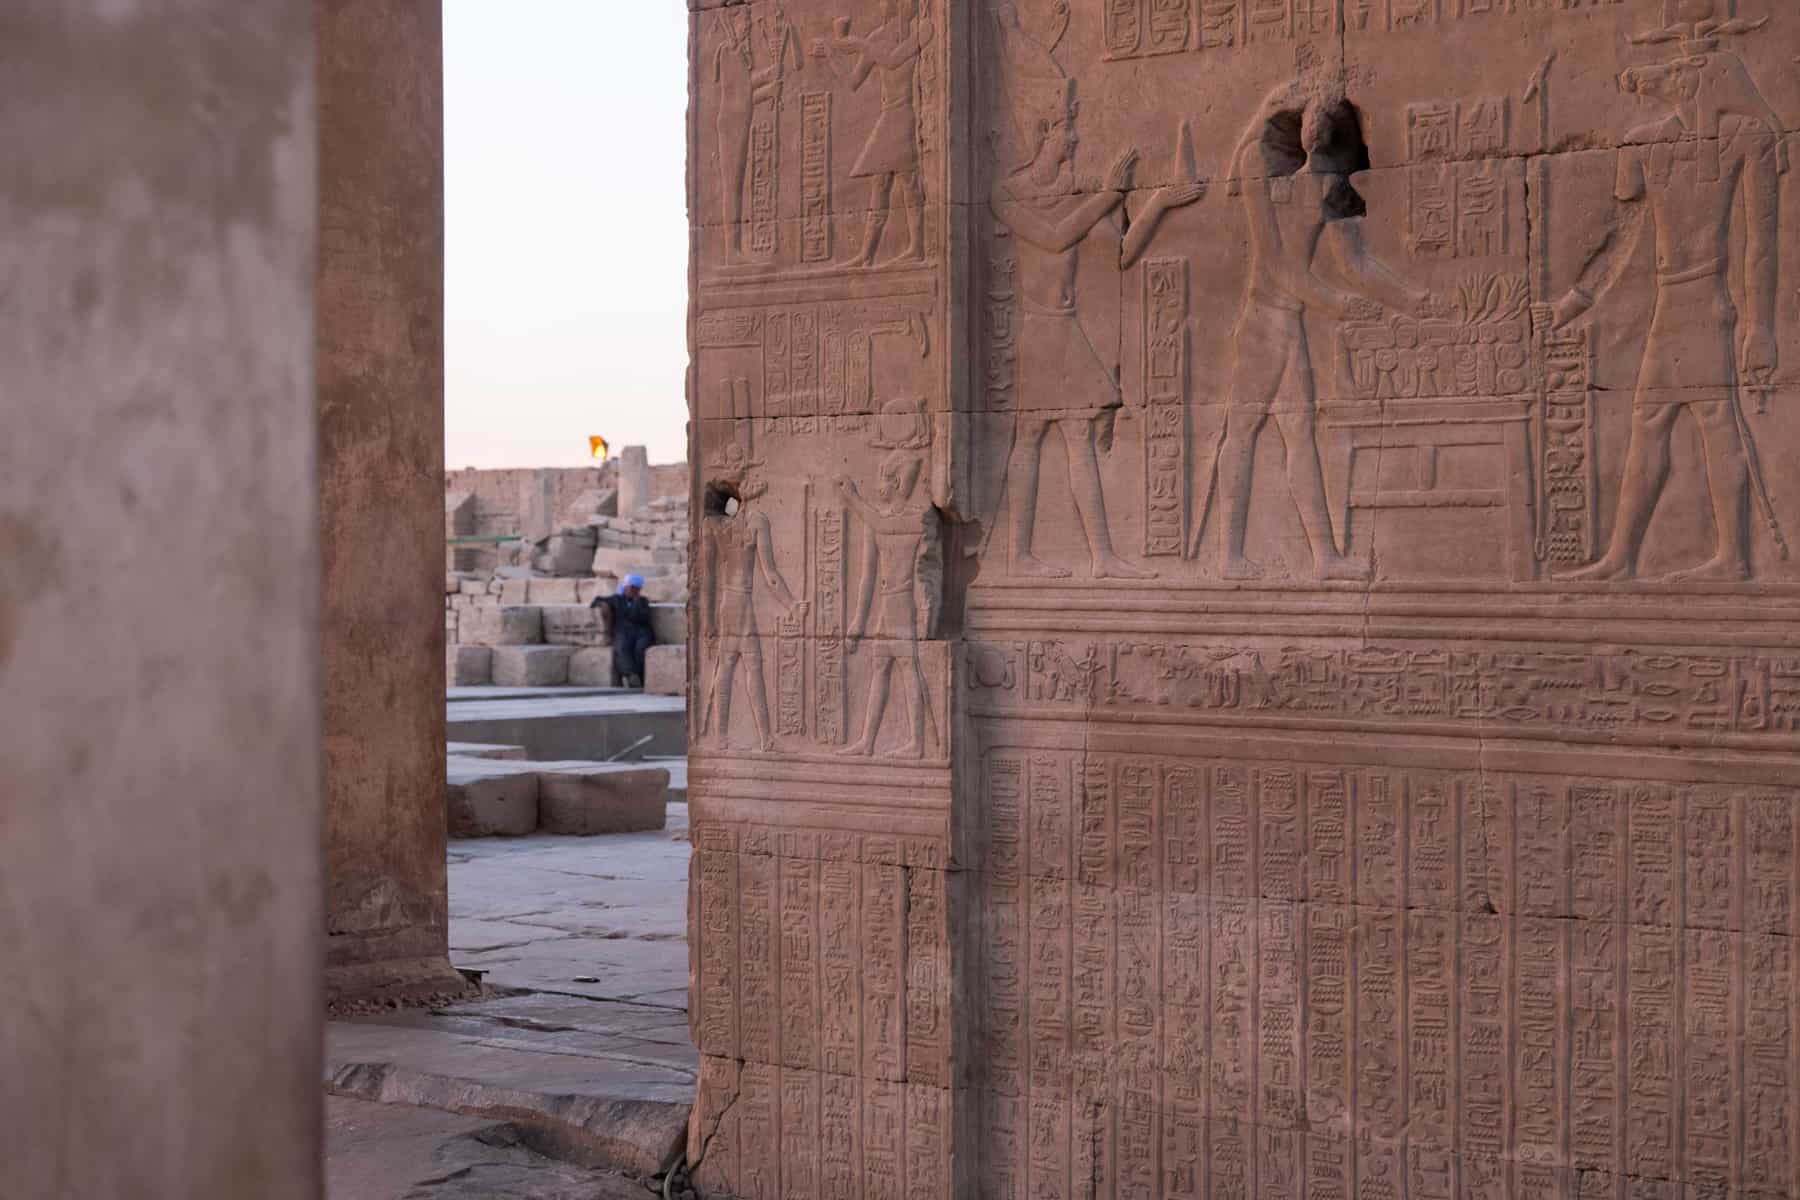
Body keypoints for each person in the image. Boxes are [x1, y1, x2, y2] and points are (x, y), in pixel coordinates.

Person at [1554, 32, 1782, 581]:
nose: (1669, 78)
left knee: (1714, 418)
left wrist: (1761, 329)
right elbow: (1626, 239)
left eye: (1685, 70)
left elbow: (1761, 244)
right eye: (1671, 69)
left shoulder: (1743, 139)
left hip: (1707, 299)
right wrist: (1578, 298)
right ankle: (1622, 557)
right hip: (1668, 300)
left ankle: (1731, 557)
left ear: (1712, 79)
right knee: (1650, 421)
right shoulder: (1644, 143)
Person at [988, 5, 1201, 579]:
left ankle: (1098, 557)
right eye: (1067, 133)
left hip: (1067, 326)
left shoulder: (1082, 190)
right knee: (1033, 437)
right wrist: (1108, 193)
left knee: (1075, 436)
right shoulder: (1007, 195)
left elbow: (1123, 251)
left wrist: (1158, 201)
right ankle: (1021, 555)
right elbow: (1056, 238)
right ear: (1042, 134)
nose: (1075, 142)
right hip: (1040, 331)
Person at [1205, 83, 1431, 582]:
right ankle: (1228, 556)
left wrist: (1411, 301)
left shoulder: (1312, 185)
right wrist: (1342, 304)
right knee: (1245, 432)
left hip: (1285, 323)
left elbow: (1356, 266)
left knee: (1297, 438)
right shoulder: (1270, 177)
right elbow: (1281, 267)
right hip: (1265, 323)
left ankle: (1323, 557)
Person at [591, 574, 655, 689]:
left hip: (641, 630)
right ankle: (631, 675)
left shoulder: (642, 601)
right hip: (623, 630)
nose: (632, 590)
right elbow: (597, 600)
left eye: (635, 588)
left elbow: (642, 617)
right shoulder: (616, 599)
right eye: (630, 587)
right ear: (625, 587)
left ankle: (641, 676)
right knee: (622, 648)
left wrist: (635, 602)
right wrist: (602, 605)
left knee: (641, 649)